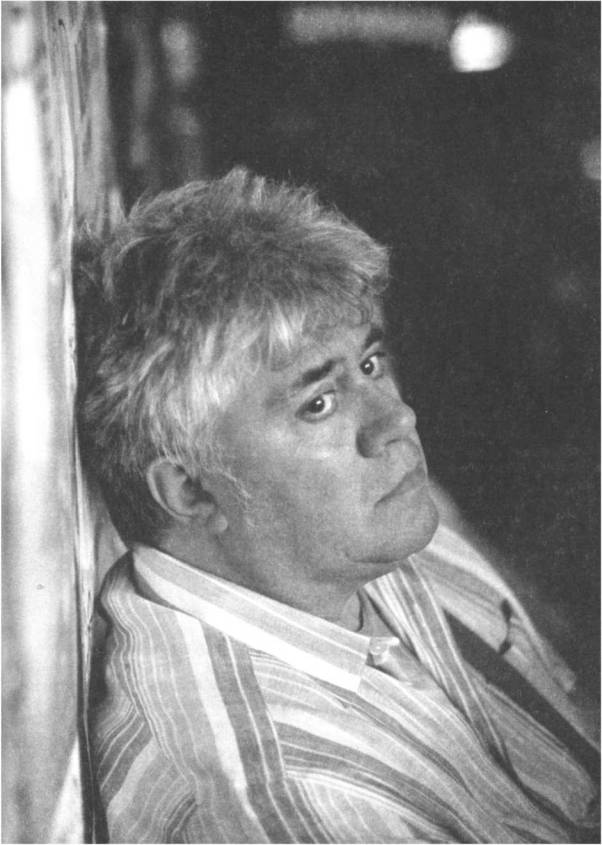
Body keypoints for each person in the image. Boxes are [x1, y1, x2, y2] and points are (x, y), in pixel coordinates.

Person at [78, 168, 598, 843]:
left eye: (371, 365)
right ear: (190, 489)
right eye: (318, 402)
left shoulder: (364, 537)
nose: (397, 420)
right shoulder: (286, 806)